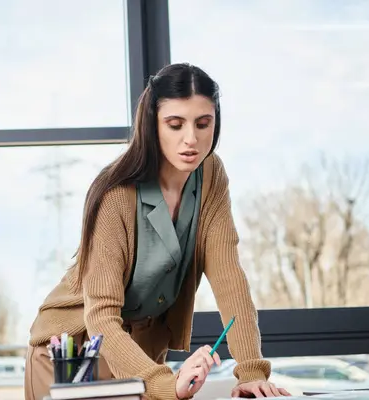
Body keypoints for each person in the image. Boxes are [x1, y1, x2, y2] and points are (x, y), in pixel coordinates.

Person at [24, 63, 291, 400]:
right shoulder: (115, 193)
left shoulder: (211, 175)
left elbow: (229, 278)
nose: (190, 139)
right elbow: (102, 317)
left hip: (141, 354)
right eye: (175, 124)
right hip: (74, 353)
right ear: (152, 124)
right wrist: (163, 383)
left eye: (203, 123)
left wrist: (251, 371)